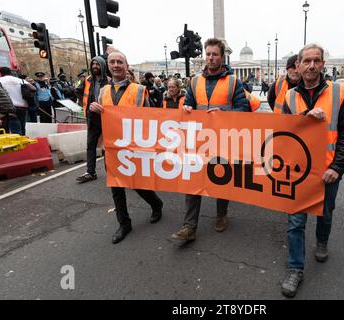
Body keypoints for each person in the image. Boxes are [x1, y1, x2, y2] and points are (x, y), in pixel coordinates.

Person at [280, 44, 344, 298]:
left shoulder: (339, 92)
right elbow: (283, 132)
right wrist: (304, 116)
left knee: (325, 213)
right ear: (298, 66)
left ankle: (322, 241)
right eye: (306, 61)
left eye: (316, 61)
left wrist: (337, 167)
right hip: (298, 172)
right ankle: (295, 268)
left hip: (328, 171)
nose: (311, 65)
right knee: (295, 221)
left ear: (323, 64)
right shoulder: (289, 97)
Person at [171, 38, 250, 243]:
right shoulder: (195, 81)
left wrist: (223, 112)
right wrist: (186, 109)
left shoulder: (234, 82)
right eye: (208, 54)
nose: (211, 58)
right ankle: (189, 226)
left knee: (220, 179)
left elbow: (245, 110)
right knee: (193, 181)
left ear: (222, 57)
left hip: (223, 139)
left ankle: (221, 214)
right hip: (198, 140)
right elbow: (188, 105)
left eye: (215, 54)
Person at [89, 50, 164, 245]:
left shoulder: (139, 90)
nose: (115, 65)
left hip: (134, 146)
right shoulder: (103, 91)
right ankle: (124, 223)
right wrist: (93, 110)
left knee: (136, 183)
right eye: (112, 62)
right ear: (109, 66)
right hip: (111, 147)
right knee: (116, 186)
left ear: (126, 66)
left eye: (119, 62)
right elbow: (100, 119)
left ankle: (156, 203)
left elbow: (149, 118)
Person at [75, 56, 110, 184]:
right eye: (93, 64)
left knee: (108, 146)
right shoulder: (87, 80)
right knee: (90, 145)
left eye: (97, 64)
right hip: (92, 118)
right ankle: (90, 172)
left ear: (102, 66)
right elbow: (77, 91)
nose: (95, 66)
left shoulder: (109, 81)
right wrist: (85, 103)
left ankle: (111, 172)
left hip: (106, 118)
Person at [0, 67, 36, 135]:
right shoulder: (20, 80)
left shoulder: (0, 81)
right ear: (10, 72)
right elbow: (33, 88)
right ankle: (23, 139)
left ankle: (19, 141)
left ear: (1, 73)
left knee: (15, 127)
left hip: (10, 107)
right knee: (22, 126)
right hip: (23, 106)